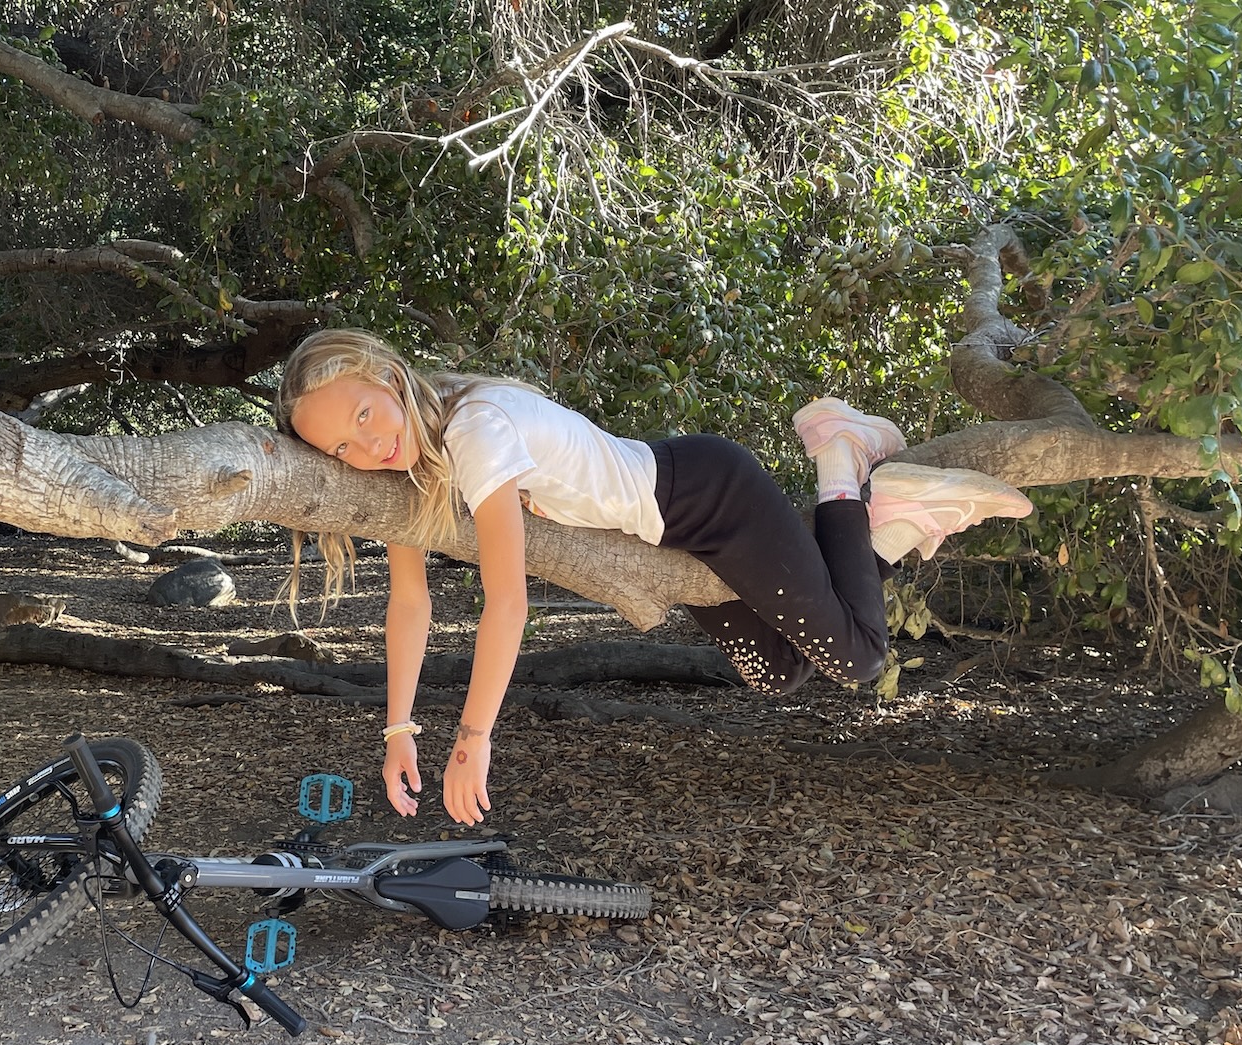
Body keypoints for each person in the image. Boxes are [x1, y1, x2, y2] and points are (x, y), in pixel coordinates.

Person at [275, 329, 1032, 826]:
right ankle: (887, 520)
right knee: (775, 672)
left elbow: (507, 604)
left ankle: (843, 462)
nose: (368, 446)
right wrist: (400, 730)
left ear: (386, 373)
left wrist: (473, 737)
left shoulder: (475, 430)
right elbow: (411, 605)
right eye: (342, 448)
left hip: (708, 496)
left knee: (859, 657)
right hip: (677, 540)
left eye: (367, 415)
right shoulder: (420, 468)